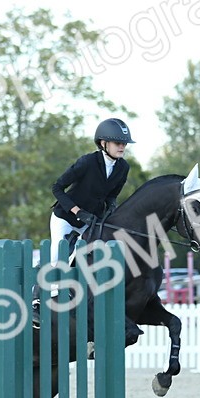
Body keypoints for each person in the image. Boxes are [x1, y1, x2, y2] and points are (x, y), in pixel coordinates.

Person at [36, 118, 133, 305]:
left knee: (95, 255)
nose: (122, 147)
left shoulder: (123, 167)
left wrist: (112, 205)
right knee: (57, 256)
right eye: (118, 143)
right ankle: (36, 300)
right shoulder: (87, 162)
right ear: (103, 143)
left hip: (91, 221)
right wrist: (77, 211)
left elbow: (112, 194)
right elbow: (57, 188)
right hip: (64, 217)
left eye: (124, 143)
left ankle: (84, 296)